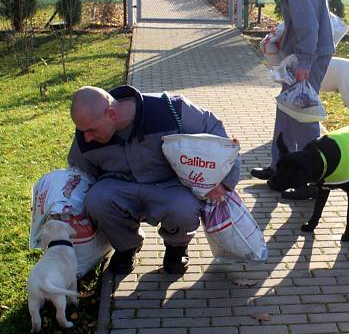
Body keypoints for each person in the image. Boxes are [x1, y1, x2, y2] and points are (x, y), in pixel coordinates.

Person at [67, 85, 240, 275]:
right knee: (95, 199)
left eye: (91, 130)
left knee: (184, 206)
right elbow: (78, 175)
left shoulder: (169, 109)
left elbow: (219, 136)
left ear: (111, 113)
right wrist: (64, 209)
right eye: (82, 131)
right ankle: (126, 247)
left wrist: (223, 182)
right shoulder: (85, 135)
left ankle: (177, 248)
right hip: (120, 188)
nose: (87, 138)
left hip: (170, 187)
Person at [249, 0, 334, 200]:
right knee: (286, 110)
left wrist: (306, 60)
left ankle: (311, 180)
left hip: (307, 54)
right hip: (305, 50)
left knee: (303, 115)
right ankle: (278, 167)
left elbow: (307, 18)